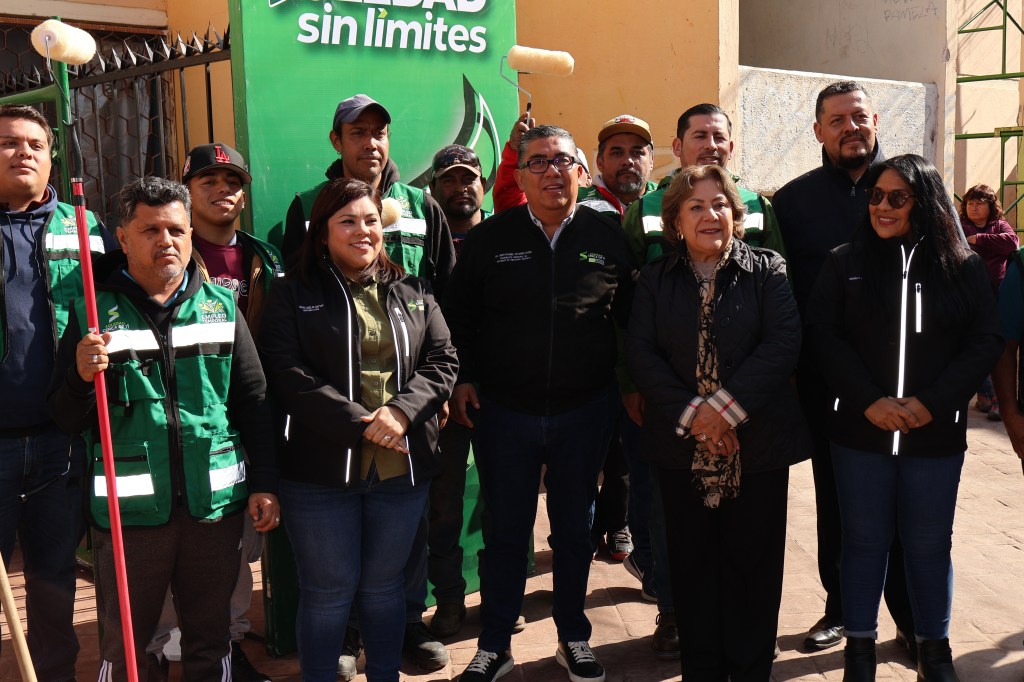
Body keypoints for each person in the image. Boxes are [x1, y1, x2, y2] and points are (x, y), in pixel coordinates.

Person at [47, 176, 281, 680]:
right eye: (149, 229)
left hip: (215, 511)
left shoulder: (221, 307)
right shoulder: (92, 314)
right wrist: (81, 377)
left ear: (191, 234)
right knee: (129, 649)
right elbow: (66, 417)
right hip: (128, 518)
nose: (166, 240)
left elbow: (254, 403)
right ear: (123, 238)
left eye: (176, 229)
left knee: (210, 640)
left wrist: (263, 482)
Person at [445, 125, 636, 682]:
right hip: (505, 412)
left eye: (563, 161)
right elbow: (457, 318)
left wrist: (626, 386)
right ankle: (495, 645)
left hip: (585, 410)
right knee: (505, 532)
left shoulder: (608, 236)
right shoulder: (488, 240)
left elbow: (629, 320)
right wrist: (465, 378)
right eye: (538, 162)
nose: (552, 171)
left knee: (575, 531)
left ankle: (572, 637)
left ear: (581, 171)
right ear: (519, 176)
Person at [806, 154, 1003, 682]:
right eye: (875, 196)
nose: (883, 206)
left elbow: (983, 341)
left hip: (933, 433)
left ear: (926, 202)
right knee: (864, 542)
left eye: (897, 197)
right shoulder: (844, 260)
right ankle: (860, 653)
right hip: (860, 432)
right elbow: (824, 335)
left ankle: (933, 653)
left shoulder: (960, 266)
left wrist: (932, 402)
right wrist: (868, 399)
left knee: (929, 544)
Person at [280, 93, 454, 674]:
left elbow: (442, 353)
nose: (362, 230)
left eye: (370, 222)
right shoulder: (293, 291)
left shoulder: (413, 282)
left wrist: (406, 413)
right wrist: (368, 425)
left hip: (402, 463)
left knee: (386, 589)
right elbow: (287, 372)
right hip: (323, 464)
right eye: (346, 222)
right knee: (329, 592)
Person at [627, 164, 808, 681]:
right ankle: (702, 670)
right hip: (680, 445)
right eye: (696, 206)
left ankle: (750, 669)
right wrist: (698, 420)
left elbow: (782, 344)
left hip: (760, 446)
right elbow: (642, 354)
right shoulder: (655, 280)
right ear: (675, 222)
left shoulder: (767, 269)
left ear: (739, 213)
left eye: (721, 204)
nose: (711, 215)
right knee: (692, 566)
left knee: (754, 567)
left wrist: (722, 411)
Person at [773, 81, 915, 653]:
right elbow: (781, 292)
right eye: (836, 120)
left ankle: (910, 617)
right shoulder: (793, 201)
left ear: (875, 119)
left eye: (858, 116)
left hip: (908, 379)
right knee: (836, 499)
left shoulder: (915, 184)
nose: (850, 127)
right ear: (818, 132)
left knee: (908, 504)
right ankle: (841, 608)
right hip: (826, 382)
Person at [147, 142, 283, 679]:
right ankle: (157, 649)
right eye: (209, 181)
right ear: (186, 192)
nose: (223, 190)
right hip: (179, 423)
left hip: (242, 422)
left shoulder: (264, 259)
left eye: (233, 182)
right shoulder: (168, 254)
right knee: (161, 548)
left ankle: (226, 647)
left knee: (231, 551)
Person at [0, 103, 115, 681]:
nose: (23, 152)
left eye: (35, 145)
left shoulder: (85, 226)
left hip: (60, 439)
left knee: (53, 576)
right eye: (8, 142)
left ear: (51, 157)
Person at [280, 94, 455, 299]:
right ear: (336, 141)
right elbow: (293, 292)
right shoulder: (308, 206)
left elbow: (449, 292)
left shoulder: (423, 207)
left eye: (379, 133)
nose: (370, 144)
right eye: (358, 133)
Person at [423, 144, 488, 638]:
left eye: (469, 178)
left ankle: (499, 595)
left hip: (504, 393)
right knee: (444, 504)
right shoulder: (421, 240)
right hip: (442, 394)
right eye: (450, 179)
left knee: (504, 502)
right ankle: (448, 600)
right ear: (435, 188)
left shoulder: (510, 234)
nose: (461, 187)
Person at [622, 103, 786, 265]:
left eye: (719, 137)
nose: (711, 145)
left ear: (731, 148)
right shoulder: (643, 209)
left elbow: (779, 279)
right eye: (700, 136)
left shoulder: (758, 205)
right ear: (677, 147)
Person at [493, 113, 657, 220]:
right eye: (616, 153)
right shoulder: (570, 199)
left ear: (651, 161)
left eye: (637, 153)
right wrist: (515, 152)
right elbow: (511, 209)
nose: (627, 161)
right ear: (599, 162)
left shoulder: (669, 200)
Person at [958, 183, 1017, 421]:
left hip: (997, 297)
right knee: (972, 344)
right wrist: (971, 238)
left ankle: (991, 398)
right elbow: (957, 246)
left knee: (995, 344)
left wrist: (979, 239)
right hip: (968, 297)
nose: (973, 208)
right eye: (970, 203)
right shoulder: (961, 227)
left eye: (979, 203)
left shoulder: (999, 226)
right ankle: (985, 395)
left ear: (990, 206)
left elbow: (1011, 243)